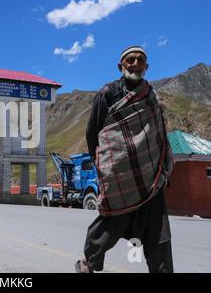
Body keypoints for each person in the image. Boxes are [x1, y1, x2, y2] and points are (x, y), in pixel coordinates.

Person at [75, 46, 175, 273]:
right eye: (131, 60)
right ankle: (88, 263)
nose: (136, 64)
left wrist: (162, 165)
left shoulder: (151, 95)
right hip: (119, 176)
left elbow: (159, 133)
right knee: (111, 222)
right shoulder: (107, 93)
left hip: (151, 175)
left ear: (146, 67)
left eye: (141, 60)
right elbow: (94, 134)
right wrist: (104, 168)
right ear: (121, 66)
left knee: (158, 231)